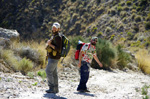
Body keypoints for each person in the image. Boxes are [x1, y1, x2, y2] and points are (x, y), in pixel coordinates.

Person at [45, 22, 62, 93]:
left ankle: (51, 88)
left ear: (58, 29)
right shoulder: (54, 36)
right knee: (54, 73)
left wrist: (50, 44)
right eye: (53, 28)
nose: (54, 29)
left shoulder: (58, 37)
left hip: (54, 58)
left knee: (48, 71)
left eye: (55, 28)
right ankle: (56, 89)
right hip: (52, 57)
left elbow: (58, 49)